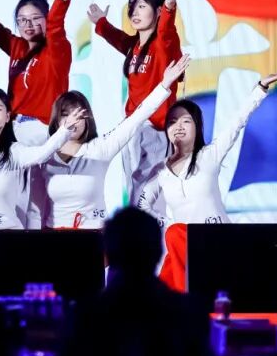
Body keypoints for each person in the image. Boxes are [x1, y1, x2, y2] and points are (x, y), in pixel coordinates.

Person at [139, 68, 277, 290]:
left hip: (216, 240)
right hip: (183, 246)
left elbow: (238, 121)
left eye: (185, 121)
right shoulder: (161, 171)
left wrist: (261, 88)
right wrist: (167, 222)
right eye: (172, 122)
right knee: (168, 261)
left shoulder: (209, 155)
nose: (178, 127)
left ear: (197, 127)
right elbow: (143, 205)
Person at [37, 56, 190, 229]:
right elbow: (34, 207)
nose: (72, 120)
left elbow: (137, 118)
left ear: (87, 119)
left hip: (93, 235)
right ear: (57, 120)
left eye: (78, 114)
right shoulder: (44, 155)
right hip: (53, 237)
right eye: (66, 114)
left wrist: (164, 85)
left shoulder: (100, 149)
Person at [88, 0, 187, 207]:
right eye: (132, 6)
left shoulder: (164, 43)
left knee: (151, 190)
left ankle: (150, 228)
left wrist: (170, 2)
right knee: (133, 184)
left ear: (158, 11)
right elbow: (116, 37)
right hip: (132, 127)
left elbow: (166, 29)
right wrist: (100, 22)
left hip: (155, 129)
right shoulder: (134, 47)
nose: (134, 11)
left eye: (142, 6)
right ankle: (134, 227)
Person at [0, 0, 86, 144]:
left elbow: (56, 24)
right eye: (22, 20)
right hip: (12, 126)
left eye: (35, 18)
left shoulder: (57, 50)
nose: (28, 24)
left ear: (46, 19)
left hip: (39, 128)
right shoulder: (17, 46)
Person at [0, 88, 86, 230]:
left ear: (8, 116)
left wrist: (65, 129)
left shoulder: (14, 152)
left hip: (8, 234)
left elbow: (43, 153)